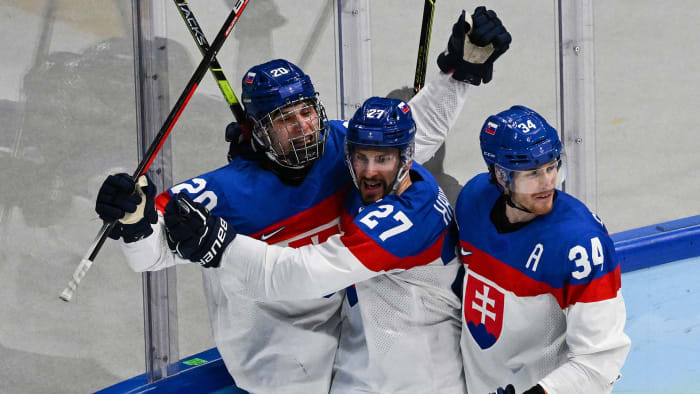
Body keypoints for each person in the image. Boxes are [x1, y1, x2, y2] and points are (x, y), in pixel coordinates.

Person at [95, 7, 511, 393]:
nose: (303, 128)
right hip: (271, 359)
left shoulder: (343, 148)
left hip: (345, 336)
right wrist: (134, 219)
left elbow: (412, 132)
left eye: (307, 113)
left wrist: (460, 74)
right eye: (284, 120)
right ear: (258, 130)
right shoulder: (223, 192)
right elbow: (149, 256)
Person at [164, 96, 466, 393]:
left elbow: (304, 273)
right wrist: (267, 151)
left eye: (383, 159)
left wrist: (222, 245)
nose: (370, 171)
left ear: (407, 155)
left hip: (419, 378)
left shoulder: (408, 219)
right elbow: (419, 124)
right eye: (362, 158)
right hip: (366, 365)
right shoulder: (379, 183)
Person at [454, 105, 630, 394]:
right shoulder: (473, 200)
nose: (548, 181)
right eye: (533, 172)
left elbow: (599, 363)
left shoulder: (581, 244)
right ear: (500, 175)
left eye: (551, 166)